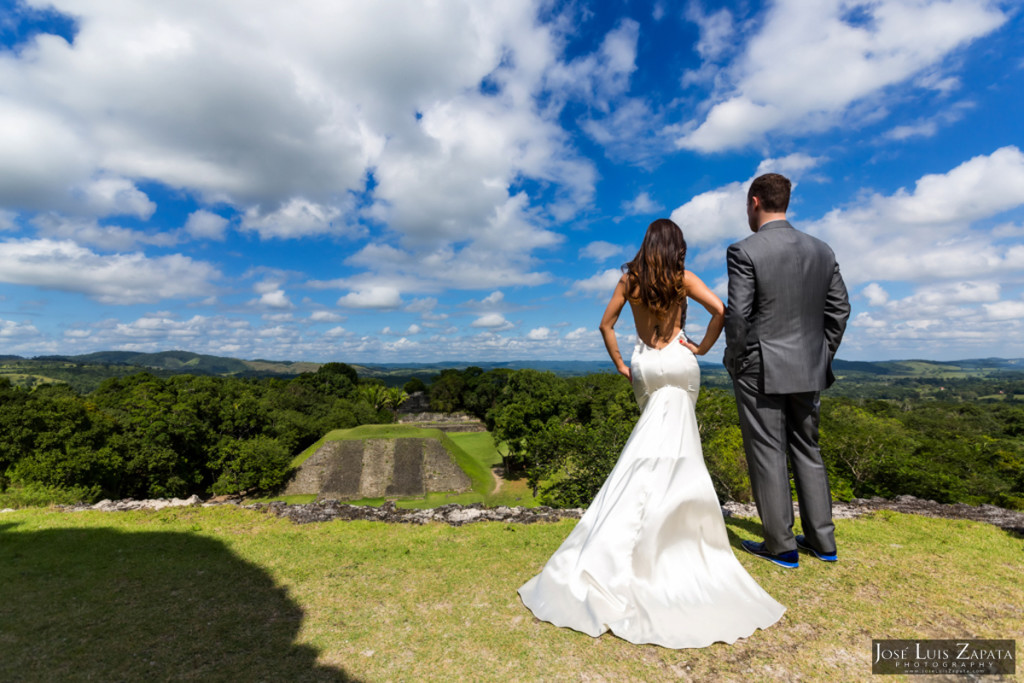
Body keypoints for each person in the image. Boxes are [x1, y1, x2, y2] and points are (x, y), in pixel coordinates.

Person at [518, 218, 785, 649]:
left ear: (646, 245)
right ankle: (673, 532)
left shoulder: (630, 281)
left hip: (646, 362)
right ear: (677, 246)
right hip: (679, 360)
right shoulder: (682, 279)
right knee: (680, 449)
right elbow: (722, 310)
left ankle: (627, 532)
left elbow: (605, 325)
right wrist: (699, 347)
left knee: (648, 444)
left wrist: (622, 364)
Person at [723, 173, 850, 569]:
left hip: (760, 366)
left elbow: (739, 315)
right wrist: (822, 354)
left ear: (755, 202)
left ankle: (781, 545)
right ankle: (821, 540)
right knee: (807, 449)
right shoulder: (822, 250)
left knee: (766, 453)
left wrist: (734, 358)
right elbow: (839, 311)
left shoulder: (744, 250)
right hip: (809, 365)